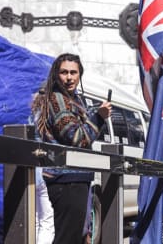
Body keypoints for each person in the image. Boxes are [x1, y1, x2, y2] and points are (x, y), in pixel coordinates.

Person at [32, 53, 111, 243]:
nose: (69, 77)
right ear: (55, 75)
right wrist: (99, 117)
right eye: (64, 72)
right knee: (66, 238)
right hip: (65, 180)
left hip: (72, 179)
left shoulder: (72, 99)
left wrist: (93, 115)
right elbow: (77, 138)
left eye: (73, 73)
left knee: (74, 236)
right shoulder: (57, 100)